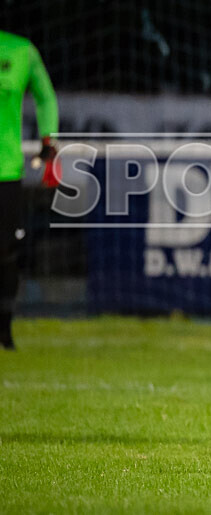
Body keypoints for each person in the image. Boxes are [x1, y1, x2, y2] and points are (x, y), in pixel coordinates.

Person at [1, 30, 59, 351]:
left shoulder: (21, 49)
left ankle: (4, 332)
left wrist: (48, 139)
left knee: (7, 252)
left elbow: (45, 96)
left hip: (6, 168)